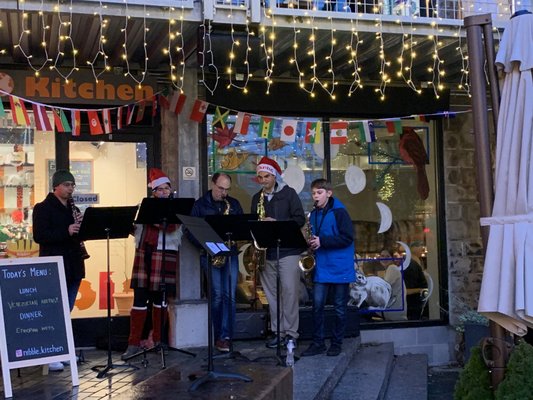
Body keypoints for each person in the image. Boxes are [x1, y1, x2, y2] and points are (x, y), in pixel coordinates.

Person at [121, 168, 183, 360]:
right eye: (160, 190)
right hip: (144, 254)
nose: (164, 192)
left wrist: (151, 218)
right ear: (153, 192)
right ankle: (133, 344)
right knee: (139, 300)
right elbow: (135, 228)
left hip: (164, 255)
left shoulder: (175, 208)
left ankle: (157, 340)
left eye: (167, 189)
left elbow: (171, 227)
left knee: (160, 300)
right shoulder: (144, 207)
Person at [33, 169, 88, 371]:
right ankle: (50, 353)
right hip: (54, 265)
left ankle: (62, 350)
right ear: (55, 186)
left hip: (74, 265)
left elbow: (79, 234)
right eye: (66, 185)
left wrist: (83, 228)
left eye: (72, 185)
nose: (70, 188)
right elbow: (40, 236)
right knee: (53, 311)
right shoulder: (43, 208)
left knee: (66, 311)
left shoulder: (73, 209)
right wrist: (66, 230)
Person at [250, 156, 305, 349]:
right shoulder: (257, 198)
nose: (263, 180)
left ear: (274, 176)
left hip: (289, 250)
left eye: (266, 176)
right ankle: (278, 332)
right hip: (267, 252)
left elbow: (300, 219)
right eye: (260, 177)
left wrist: (278, 224)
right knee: (271, 296)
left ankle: (291, 334)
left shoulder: (289, 194)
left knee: (289, 293)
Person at [190, 172, 243, 352]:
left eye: (227, 189)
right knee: (218, 295)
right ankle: (218, 334)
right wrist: (208, 246)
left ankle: (226, 336)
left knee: (230, 295)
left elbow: (242, 229)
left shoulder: (233, 204)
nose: (224, 193)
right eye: (221, 188)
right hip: (210, 255)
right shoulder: (200, 205)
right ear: (213, 184)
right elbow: (191, 232)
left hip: (230, 255)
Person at [301, 179, 355, 357]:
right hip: (323, 266)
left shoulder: (340, 212)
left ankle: (336, 343)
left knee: (339, 307)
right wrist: (311, 244)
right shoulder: (314, 214)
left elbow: (347, 237)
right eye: (314, 193)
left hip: (340, 266)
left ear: (329, 193)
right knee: (317, 306)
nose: (315, 196)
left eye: (319, 193)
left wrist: (322, 241)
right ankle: (318, 343)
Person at [403, 241, 428, 320]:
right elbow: (407, 290)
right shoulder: (411, 265)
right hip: (413, 305)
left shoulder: (414, 262)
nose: (422, 249)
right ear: (414, 248)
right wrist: (422, 289)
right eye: (420, 246)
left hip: (415, 304)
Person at [380, 249, 407, 321]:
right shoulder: (389, 269)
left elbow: (383, 288)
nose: (385, 258)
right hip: (392, 309)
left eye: (387, 256)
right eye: (382, 256)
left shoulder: (392, 268)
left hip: (394, 312)